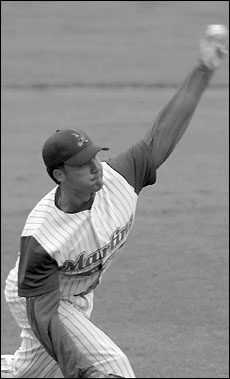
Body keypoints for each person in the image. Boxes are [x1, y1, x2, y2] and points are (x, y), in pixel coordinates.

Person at [2, 24, 228, 378]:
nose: (96, 168)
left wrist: (203, 71)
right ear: (59, 174)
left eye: (95, 157)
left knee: (24, 374)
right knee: (112, 368)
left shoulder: (119, 179)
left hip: (76, 295)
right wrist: (80, 371)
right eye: (82, 165)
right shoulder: (43, 239)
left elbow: (162, 133)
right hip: (38, 298)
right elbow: (44, 318)